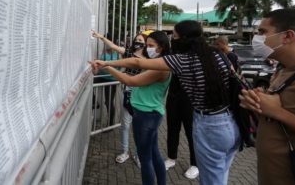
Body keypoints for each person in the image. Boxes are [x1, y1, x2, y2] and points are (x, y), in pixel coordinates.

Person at [91, 20, 240, 185]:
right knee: (219, 175)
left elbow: (137, 64)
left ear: (184, 38)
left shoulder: (181, 60)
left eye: (174, 36)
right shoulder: (216, 53)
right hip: (229, 120)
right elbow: (235, 80)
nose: (173, 40)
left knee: (211, 179)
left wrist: (106, 64)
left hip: (209, 124)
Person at [239, 8, 295, 185]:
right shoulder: (282, 69)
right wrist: (258, 105)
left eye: (262, 32)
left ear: (287, 36)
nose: (257, 38)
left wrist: (278, 112)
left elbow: (278, 112)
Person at [97, 31, 171, 185]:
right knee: (155, 154)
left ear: (161, 47)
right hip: (150, 113)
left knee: (146, 159)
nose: (147, 48)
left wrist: (106, 66)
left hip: (146, 115)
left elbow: (130, 80)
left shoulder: (160, 67)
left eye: (151, 46)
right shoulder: (157, 61)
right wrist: (108, 63)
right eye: (146, 45)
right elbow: (132, 61)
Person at [92, 30, 146, 165]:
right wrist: (101, 37)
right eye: (137, 40)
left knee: (139, 128)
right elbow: (113, 46)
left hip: (142, 97)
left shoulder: (150, 60)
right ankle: (124, 151)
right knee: (125, 125)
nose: (138, 43)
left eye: (141, 41)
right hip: (128, 94)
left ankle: (139, 154)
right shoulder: (128, 53)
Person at [164, 74, 199, 179]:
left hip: (191, 98)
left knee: (191, 132)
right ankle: (171, 157)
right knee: (172, 128)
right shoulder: (174, 57)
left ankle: (195, 164)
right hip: (174, 95)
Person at [94, 44, 120, 125]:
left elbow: (120, 66)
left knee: (108, 102)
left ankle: (110, 123)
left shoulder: (118, 55)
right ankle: (94, 102)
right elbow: (98, 65)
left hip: (112, 80)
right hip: (101, 77)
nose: (107, 46)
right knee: (88, 84)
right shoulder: (103, 53)